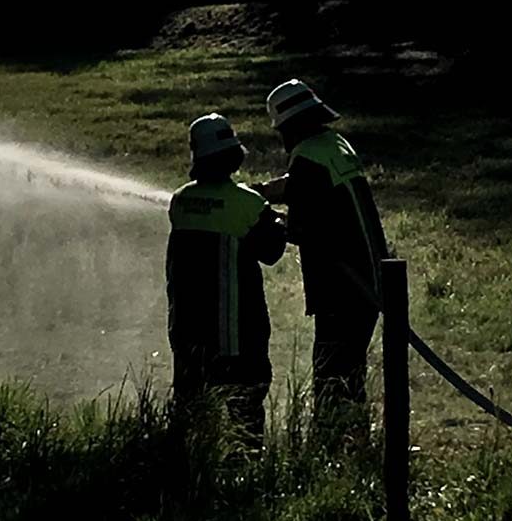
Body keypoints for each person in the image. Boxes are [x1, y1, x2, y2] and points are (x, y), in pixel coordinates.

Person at [251, 79, 389, 442]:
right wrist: (262, 191)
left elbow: (302, 227)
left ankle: (332, 443)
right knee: (351, 367)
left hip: (342, 284)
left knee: (332, 371)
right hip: (370, 277)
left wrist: (262, 217)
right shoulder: (333, 146)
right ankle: (354, 435)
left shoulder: (308, 156)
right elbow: (300, 185)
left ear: (290, 126)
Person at [166, 113, 287, 442]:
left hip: (188, 334)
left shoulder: (180, 201)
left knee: (191, 416)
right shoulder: (248, 204)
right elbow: (272, 252)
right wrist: (279, 222)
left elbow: (213, 209)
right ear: (234, 156)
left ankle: (191, 474)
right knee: (244, 416)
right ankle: (245, 477)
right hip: (237, 337)